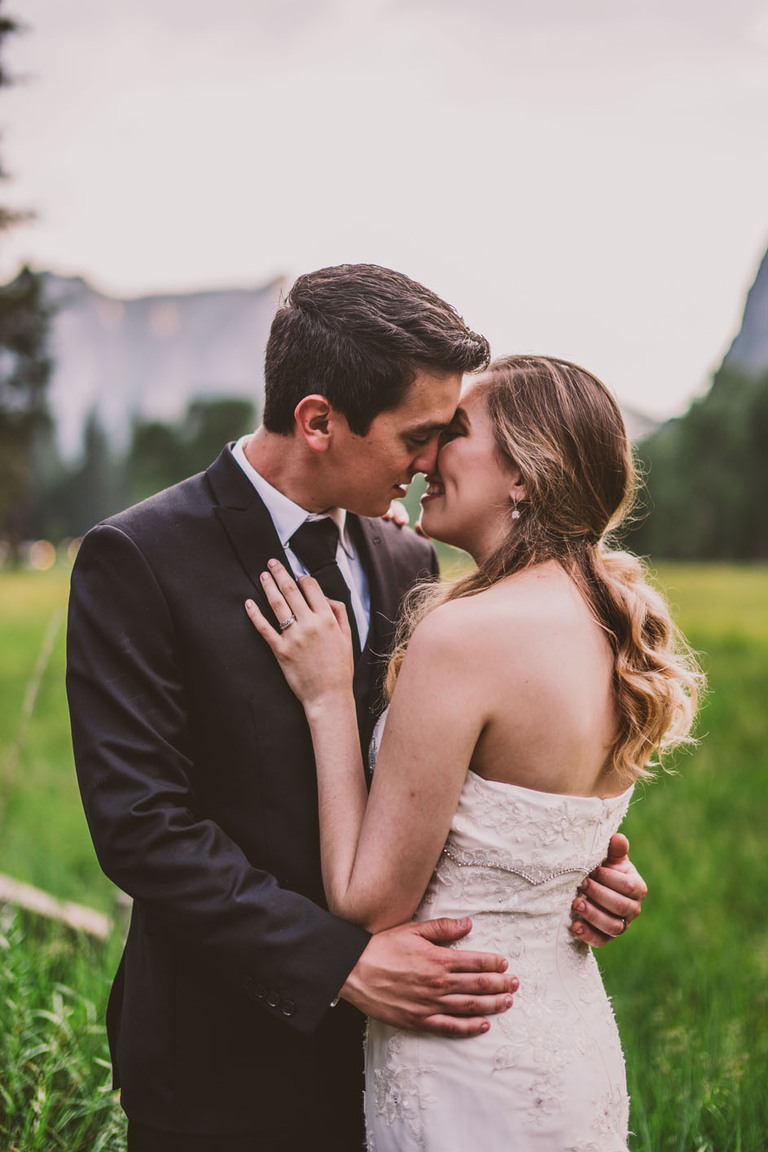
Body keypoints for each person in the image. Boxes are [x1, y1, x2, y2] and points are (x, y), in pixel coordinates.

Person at [67, 269, 647, 1151]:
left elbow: (442, 776)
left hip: (407, 1056)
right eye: (420, 435)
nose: (430, 462)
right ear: (318, 420)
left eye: (449, 434)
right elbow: (142, 828)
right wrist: (339, 967)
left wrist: (570, 866)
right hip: (224, 1065)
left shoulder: (407, 561)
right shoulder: (139, 557)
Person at [245, 353, 700, 1151]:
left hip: (466, 1054)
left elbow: (366, 899)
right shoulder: (618, 617)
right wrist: (598, 869)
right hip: (568, 1041)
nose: (425, 458)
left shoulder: (465, 635)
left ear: (522, 474)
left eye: (454, 433)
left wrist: (326, 696)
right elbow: (544, 825)